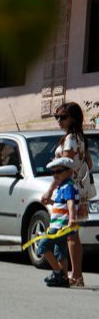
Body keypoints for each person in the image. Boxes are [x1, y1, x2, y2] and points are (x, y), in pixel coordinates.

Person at [42, 102, 94, 288]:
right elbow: (90, 163)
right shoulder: (80, 137)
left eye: (63, 117)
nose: (59, 120)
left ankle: (75, 276)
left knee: (70, 236)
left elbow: (64, 167)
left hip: (69, 192)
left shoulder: (71, 138)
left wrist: (49, 190)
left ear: (73, 118)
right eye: (57, 117)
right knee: (73, 235)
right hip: (79, 191)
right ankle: (72, 275)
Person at [39, 157, 79, 288]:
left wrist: (72, 218)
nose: (55, 175)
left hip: (60, 227)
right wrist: (50, 202)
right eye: (53, 172)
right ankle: (64, 279)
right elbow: (61, 204)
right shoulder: (63, 186)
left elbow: (70, 203)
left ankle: (58, 273)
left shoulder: (68, 186)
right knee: (60, 252)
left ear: (69, 172)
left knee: (43, 246)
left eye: (59, 171)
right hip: (58, 224)